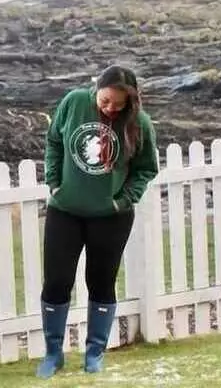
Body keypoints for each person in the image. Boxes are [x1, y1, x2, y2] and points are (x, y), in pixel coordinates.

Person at [36, 65, 159, 378]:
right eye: (106, 101)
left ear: (129, 103)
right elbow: (53, 142)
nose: (110, 108)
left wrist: (122, 199)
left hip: (110, 218)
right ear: (96, 89)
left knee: (101, 282)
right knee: (56, 282)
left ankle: (94, 354)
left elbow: (146, 169)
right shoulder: (75, 102)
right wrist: (54, 182)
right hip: (65, 211)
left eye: (118, 105)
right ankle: (53, 354)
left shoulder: (139, 123)